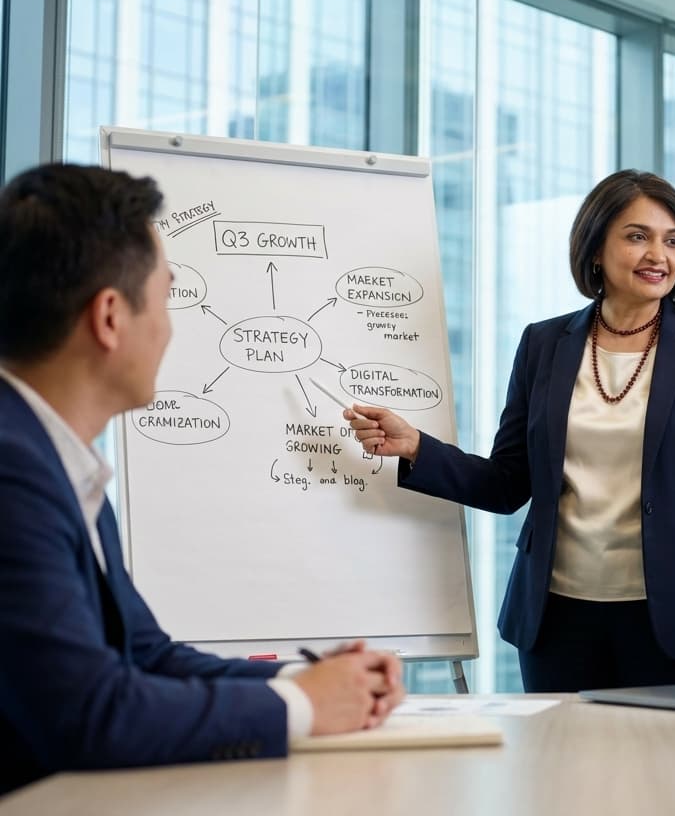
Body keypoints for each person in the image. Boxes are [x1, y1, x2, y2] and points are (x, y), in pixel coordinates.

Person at [0, 164, 404, 795]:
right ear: (110, 318)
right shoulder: (13, 468)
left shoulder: (55, 456)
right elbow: (90, 714)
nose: (170, 326)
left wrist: (311, 683)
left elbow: (145, 656)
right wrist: (303, 708)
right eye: (166, 298)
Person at [346, 169, 675, 692]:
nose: (659, 255)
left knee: (666, 772)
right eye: (638, 236)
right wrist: (417, 448)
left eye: (673, 240)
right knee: (558, 771)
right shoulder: (544, 344)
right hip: (556, 618)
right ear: (595, 249)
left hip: (674, 621)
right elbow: (508, 482)